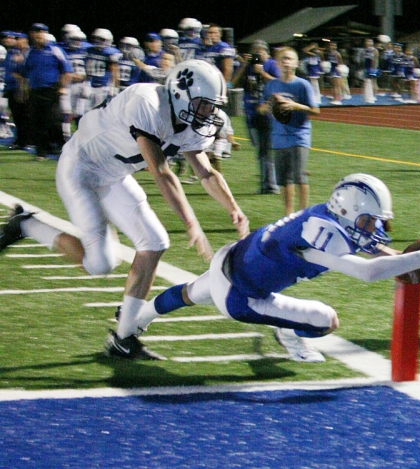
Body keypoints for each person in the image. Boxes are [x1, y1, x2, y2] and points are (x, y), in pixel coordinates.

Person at [0, 59, 249, 359]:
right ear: (181, 93)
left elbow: (206, 173)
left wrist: (234, 208)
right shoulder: (147, 102)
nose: (209, 113)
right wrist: (191, 222)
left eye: (212, 106)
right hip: (80, 168)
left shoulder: (188, 120)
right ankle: (26, 225)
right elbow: (160, 171)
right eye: (204, 105)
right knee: (100, 263)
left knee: (155, 242)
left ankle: (123, 338)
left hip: (113, 175)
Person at [131, 173, 420, 362]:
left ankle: (134, 322)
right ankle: (289, 333)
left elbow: (387, 260)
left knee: (188, 294)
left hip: (230, 260)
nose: (374, 229)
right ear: (350, 212)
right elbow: (368, 272)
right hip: (240, 294)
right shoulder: (320, 232)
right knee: (327, 321)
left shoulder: (334, 221)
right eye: (370, 221)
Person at [259, 47, 319, 216]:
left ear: (296, 63)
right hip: (278, 137)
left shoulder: (303, 84)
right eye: (282, 59)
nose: (286, 62)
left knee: (299, 177)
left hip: (299, 136)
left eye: (289, 59)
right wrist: (268, 105)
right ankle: (288, 215)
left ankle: (304, 213)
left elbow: (315, 110)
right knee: (284, 180)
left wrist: (295, 106)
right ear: (277, 63)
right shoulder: (271, 85)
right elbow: (263, 109)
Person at [231, 39, 280, 194]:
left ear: (267, 52)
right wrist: (245, 64)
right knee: (259, 149)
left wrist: (262, 72)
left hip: (267, 113)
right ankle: (267, 183)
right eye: (255, 52)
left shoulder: (271, 65)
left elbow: (279, 83)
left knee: (265, 150)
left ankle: (271, 185)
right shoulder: (248, 67)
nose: (258, 55)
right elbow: (233, 84)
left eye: (261, 52)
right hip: (251, 113)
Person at [20, 23, 73, 160]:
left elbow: (67, 70)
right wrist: (24, 90)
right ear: (31, 35)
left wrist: (62, 87)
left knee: (54, 120)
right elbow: (26, 73)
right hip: (35, 90)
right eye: (36, 32)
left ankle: (61, 148)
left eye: (42, 32)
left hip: (52, 90)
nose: (39, 35)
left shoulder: (55, 50)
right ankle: (41, 152)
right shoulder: (30, 53)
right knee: (37, 121)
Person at [84, 28, 121, 110]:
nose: (98, 41)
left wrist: (114, 88)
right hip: (88, 83)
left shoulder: (111, 53)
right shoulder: (89, 50)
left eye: (101, 39)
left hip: (103, 85)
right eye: (96, 38)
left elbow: (114, 72)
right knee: (84, 110)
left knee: (98, 110)